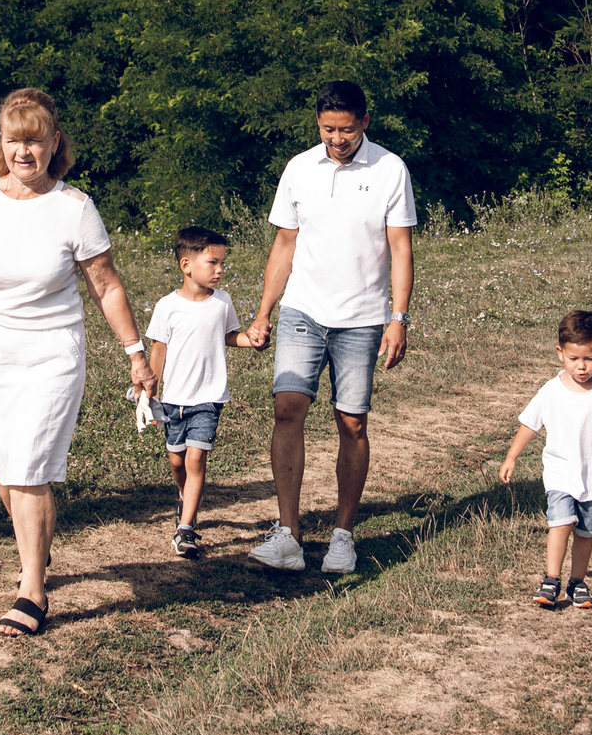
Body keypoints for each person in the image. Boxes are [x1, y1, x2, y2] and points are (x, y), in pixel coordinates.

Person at [0, 89, 155, 638]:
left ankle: (32, 591)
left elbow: (106, 286)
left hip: (52, 355)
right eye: (13, 140)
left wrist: (135, 354)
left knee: (28, 466)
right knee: (7, 467)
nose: (24, 151)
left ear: (54, 143)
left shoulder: (75, 208)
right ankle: (35, 553)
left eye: (35, 140)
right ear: (1, 144)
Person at [245, 80, 417, 575]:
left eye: (345, 130)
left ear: (364, 122)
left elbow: (400, 248)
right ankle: (288, 536)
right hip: (303, 309)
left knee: (352, 422)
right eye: (327, 130)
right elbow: (284, 244)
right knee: (287, 408)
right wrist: (264, 311)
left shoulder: (389, 169)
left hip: (361, 317)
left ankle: (343, 537)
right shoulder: (299, 169)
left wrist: (398, 317)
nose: (337, 139)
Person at [145, 224, 263, 558]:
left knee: (196, 458)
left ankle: (185, 528)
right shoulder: (167, 306)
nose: (220, 269)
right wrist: (150, 393)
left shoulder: (222, 302)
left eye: (222, 263)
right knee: (177, 461)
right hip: (173, 400)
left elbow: (230, 335)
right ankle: (185, 499)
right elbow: (158, 351)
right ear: (186, 265)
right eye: (213, 262)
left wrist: (251, 340)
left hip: (209, 398)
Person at [499, 310, 592, 610]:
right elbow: (529, 424)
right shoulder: (551, 391)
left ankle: (577, 582)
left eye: (589, 358)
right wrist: (512, 457)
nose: (581, 366)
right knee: (560, 523)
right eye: (573, 358)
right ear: (560, 353)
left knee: (585, 533)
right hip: (560, 473)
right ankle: (551, 579)